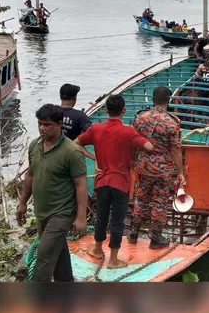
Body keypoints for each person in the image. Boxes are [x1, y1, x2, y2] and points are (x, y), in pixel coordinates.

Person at [74, 95, 154, 268]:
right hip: (121, 183)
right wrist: (134, 151)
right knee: (117, 221)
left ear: (105, 110)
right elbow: (149, 147)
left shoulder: (96, 129)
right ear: (123, 111)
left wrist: (94, 158)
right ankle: (113, 260)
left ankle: (97, 249)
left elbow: (76, 144)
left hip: (102, 181)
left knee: (101, 216)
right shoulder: (128, 132)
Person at [16, 104, 88, 282]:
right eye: (40, 124)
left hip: (62, 212)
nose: (42, 128)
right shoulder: (35, 146)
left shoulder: (72, 152)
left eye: (47, 125)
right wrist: (23, 203)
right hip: (42, 211)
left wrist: (81, 217)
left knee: (44, 255)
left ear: (59, 125)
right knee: (58, 249)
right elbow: (30, 175)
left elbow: (81, 185)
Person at [131, 86, 185, 248]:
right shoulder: (172, 122)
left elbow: (133, 142)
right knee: (159, 202)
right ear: (168, 101)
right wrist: (180, 172)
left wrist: (134, 162)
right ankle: (156, 238)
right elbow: (175, 149)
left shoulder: (140, 118)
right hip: (162, 170)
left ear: (153, 100)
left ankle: (133, 233)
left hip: (143, 167)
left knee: (141, 198)